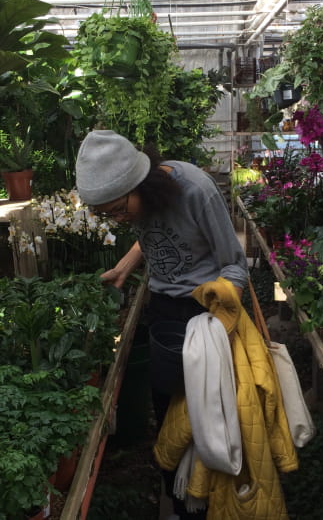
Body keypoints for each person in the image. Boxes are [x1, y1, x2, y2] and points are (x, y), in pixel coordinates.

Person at [75, 129, 248, 519]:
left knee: (210, 420)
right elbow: (152, 233)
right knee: (170, 414)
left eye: (118, 211)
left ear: (141, 185)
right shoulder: (143, 199)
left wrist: (217, 324)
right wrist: (127, 262)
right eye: (107, 216)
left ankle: (216, 504)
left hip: (207, 313)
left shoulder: (195, 190)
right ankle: (180, 501)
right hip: (165, 312)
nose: (118, 219)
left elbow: (235, 264)